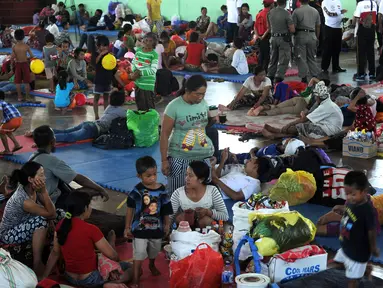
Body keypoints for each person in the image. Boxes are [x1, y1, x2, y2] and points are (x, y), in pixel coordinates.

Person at [43, 192, 132, 287]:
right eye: (90, 205)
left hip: (70, 277)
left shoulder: (61, 225)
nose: (91, 208)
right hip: (90, 279)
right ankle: (112, 284)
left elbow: (55, 253)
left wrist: (44, 276)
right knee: (132, 267)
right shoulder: (91, 229)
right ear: (85, 208)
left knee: (98, 255)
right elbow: (113, 256)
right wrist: (111, 246)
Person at [0, 162, 65, 277]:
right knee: (40, 220)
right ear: (30, 179)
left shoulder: (32, 189)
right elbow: (51, 214)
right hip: (8, 235)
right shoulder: (24, 199)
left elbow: (52, 212)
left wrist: (43, 193)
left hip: (25, 223)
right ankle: (37, 263)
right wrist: (44, 192)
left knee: (62, 213)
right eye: (41, 175)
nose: (44, 178)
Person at [160, 75, 215, 193]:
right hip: (181, 158)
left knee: (201, 194)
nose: (201, 97)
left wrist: (214, 120)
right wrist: (164, 160)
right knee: (177, 194)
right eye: (197, 94)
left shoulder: (203, 103)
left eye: (203, 94)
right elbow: (164, 134)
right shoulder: (173, 106)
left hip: (202, 157)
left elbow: (204, 125)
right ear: (187, 91)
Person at [28, 125, 109, 204]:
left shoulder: (32, 156)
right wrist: (101, 189)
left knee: (64, 182)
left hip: (34, 199)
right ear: (53, 142)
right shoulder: (52, 161)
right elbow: (78, 178)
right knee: (91, 190)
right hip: (47, 202)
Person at [124, 156, 172, 286]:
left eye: (154, 174)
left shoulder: (162, 190)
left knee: (154, 250)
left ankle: (151, 264)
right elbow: (130, 209)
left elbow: (167, 208)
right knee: (138, 254)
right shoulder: (136, 191)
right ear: (139, 176)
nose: (152, 178)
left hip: (157, 228)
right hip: (139, 228)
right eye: (148, 176)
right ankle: (135, 279)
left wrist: (167, 224)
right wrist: (127, 227)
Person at [333, 171, 379, 288]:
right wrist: (342, 208)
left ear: (364, 192)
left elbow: (372, 230)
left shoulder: (368, 211)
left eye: (352, 194)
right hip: (347, 245)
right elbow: (349, 209)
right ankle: (366, 269)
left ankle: (362, 271)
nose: (349, 198)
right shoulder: (352, 201)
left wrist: (373, 247)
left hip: (358, 253)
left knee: (352, 280)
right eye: (346, 194)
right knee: (338, 263)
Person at [262, 81, 343, 139]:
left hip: (330, 131)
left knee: (302, 126)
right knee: (305, 126)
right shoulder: (326, 102)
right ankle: (279, 134)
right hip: (330, 127)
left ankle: (279, 132)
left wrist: (289, 124)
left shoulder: (325, 106)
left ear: (318, 97)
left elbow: (305, 119)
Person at [48, 91, 126, 142]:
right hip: (93, 129)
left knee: (66, 132)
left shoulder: (110, 106)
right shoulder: (122, 111)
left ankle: (47, 131)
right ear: (122, 101)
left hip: (89, 124)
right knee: (70, 136)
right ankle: (46, 139)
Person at [170, 161, 229, 228]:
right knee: (181, 217)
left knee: (204, 220)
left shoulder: (212, 191)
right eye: (186, 175)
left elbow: (225, 216)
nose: (187, 178)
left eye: (191, 176)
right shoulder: (178, 193)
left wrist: (208, 212)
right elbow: (169, 217)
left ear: (201, 179)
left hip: (208, 232)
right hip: (186, 230)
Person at [292, 0, 321, 83]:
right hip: (312, 35)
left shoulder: (297, 11)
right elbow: (318, 26)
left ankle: (304, 78)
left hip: (301, 36)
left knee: (301, 58)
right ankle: (315, 76)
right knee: (311, 57)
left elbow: (293, 26)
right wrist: (316, 37)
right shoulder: (315, 11)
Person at [267, 0, 295, 83]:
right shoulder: (286, 13)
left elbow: (268, 28)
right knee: (284, 59)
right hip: (283, 39)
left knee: (273, 59)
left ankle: (270, 77)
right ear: (285, 3)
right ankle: (278, 79)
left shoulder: (270, 12)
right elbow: (292, 29)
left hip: (273, 38)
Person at [130, 32, 158, 111]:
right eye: (146, 40)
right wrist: (134, 71)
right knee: (140, 105)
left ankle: (151, 122)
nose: (147, 43)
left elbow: (153, 70)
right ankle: (142, 121)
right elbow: (133, 63)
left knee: (149, 106)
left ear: (154, 43)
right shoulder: (138, 51)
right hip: (138, 82)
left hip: (148, 83)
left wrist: (140, 73)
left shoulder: (154, 54)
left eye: (150, 41)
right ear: (143, 41)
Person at [354, 0, 378, 81]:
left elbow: (356, 18)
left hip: (362, 29)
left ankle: (361, 73)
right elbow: (375, 16)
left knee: (361, 52)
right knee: (370, 52)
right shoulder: (374, 3)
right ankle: (372, 73)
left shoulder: (360, 4)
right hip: (371, 29)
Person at [321, 0, 347, 73]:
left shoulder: (338, 1)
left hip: (338, 27)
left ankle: (336, 67)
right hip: (329, 27)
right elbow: (329, 13)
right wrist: (340, 12)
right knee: (327, 49)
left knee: (337, 49)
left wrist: (342, 17)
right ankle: (324, 67)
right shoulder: (325, 2)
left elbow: (339, 13)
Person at [93, 35, 115, 120]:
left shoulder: (109, 55)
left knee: (106, 98)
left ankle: (105, 114)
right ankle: (96, 116)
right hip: (98, 80)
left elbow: (113, 67)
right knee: (96, 98)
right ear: (98, 46)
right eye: (102, 45)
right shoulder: (96, 54)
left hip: (107, 80)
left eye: (106, 45)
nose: (105, 47)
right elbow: (94, 63)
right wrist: (101, 54)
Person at [11, 29, 35, 102]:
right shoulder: (26, 46)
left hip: (18, 64)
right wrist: (26, 58)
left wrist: (12, 65)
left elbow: (12, 57)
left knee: (17, 82)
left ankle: (19, 97)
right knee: (26, 82)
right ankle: (27, 97)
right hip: (25, 64)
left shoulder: (14, 47)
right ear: (24, 36)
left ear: (15, 37)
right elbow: (32, 55)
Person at [254, 0, 274, 73]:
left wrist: (258, 36)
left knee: (261, 56)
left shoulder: (259, 14)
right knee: (266, 57)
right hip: (266, 37)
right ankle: (264, 73)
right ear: (271, 4)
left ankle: (258, 72)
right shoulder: (270, 14)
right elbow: (269, 28)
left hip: (259, 36)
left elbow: (255, 27)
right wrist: (263, 37)